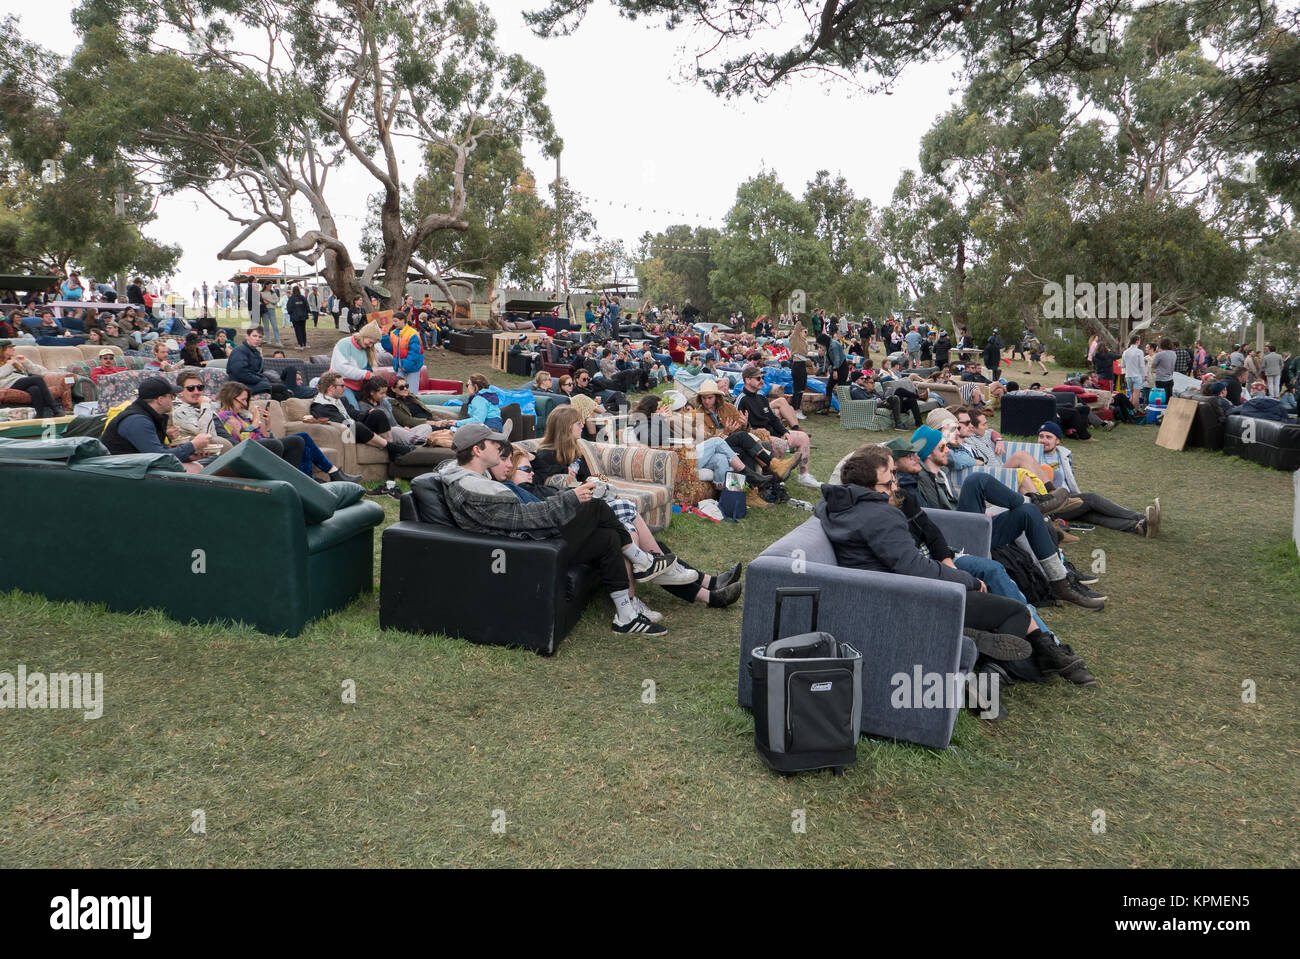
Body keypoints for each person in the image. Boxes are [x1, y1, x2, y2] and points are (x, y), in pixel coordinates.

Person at [817, 445, 1071, 719]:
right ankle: (989, 675)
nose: (894, 484)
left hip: (882, 596)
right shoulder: (880, 515)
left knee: (994, 606)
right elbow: (913, 567)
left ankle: (976, 651)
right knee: (1015, 612)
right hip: (913, 600)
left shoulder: (833, 508)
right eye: (889, 479)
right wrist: (967, 581)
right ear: (869, 487)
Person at [427, 422, 674, 635]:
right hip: (527, 548)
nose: (501, 451)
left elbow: (522, 514)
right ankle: (642, 560)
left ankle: (626, 616)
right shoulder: (474, 487)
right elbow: (525, 518)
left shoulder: (476, 479)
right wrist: (573, 498)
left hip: (530, 540)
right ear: (477, 450)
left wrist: (570, 495)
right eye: (494, 445)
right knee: (595, 507)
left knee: (607, 537)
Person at [898, 426, 1105, 610]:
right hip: (952, 540)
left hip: (967, 526)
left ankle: (1060, 582)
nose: (948, 450)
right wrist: (908, 462)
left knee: (1028, 514)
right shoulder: (914, 481)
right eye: (942, 448)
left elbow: (954, 492)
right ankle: (1039, 503)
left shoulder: (939, 476)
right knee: (976, 480)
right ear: (926, 454)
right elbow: (920, 511)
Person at [212, 379, 361, 482]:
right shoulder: (225, 416)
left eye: (246, 400)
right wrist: (256, 419)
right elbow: (246, 439)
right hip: (251, 450)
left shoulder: (242, 416)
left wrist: (268, 426)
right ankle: (326, 475)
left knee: (302, 439)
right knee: (298, 439)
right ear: (231, 398)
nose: (245, 404)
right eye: (242, 400)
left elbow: (266, 437)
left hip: (265, 446)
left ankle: (317, 477)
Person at [1035, 422, 1158, 536]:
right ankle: (1140, 517)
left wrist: (1075, 495)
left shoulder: (1064, 455)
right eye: (1041, 436)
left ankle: (1139, 527)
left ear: (1058, 440)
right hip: (1052, 505)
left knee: (1093, 516)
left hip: (1070, 498)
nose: (1043, 440)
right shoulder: (1033, 456)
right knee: (1091, 499)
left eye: (1048, 437)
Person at [100, 377, 212, 469]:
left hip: (132, 466)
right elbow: (159, 458)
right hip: (119, 472)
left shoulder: (148, 415)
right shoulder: (138, 421)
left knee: (196, 465)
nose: (173, 400)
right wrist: (193, 445)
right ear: (160, 400)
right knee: (195, 469)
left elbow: (158, 452)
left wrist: (189, 456)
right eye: (171, 396)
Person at [736, 366, 818, 488]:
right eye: (758, 378)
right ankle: (776, 480)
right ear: (747, 380)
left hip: (773, 432)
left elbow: (773, 419)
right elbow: (738, 430)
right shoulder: (741, 400)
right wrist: (750, 428)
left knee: (803, 437)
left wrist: (784, 431)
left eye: (762, 377)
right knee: (780, 444)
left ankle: (804, 475)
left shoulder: (761, 398)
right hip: (758, 436)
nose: (762, 381)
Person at [308, 370, 410, 459]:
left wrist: (367, 413)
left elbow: (354, 414)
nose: (345, 388)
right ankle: (392, 447)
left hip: (355, 430)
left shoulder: (341, 400)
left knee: (378, 414)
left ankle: (392, 453)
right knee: (355, 425)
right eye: (342, 386)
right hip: (343, 435)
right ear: (331, 388)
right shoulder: (320, 405)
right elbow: (341, 422)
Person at [356, 376, 439, 446]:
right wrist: (400, 430)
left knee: (425, 427)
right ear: (372, 392)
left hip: (399, 432)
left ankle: (417, 441)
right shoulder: (363, 406)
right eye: (382, 393)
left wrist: (403, 428)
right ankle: (421, 441)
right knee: (395, 430)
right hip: (384, 434)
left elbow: (394, 423)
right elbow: (370, 428)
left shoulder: (383, 402)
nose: (384, 396)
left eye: (385, 393)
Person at [0, 341, 67, 416]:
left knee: (35, 389)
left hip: (20, 382)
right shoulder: (10, 363)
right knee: (37, 379)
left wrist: (26, 362)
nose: (13, 349)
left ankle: (39, 415)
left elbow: (42, 372)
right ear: (2, 349)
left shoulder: (15, 361)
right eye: (10, 347)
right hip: (7, 384)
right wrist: (8, 365)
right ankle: (55, 408)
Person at [330, 320, 382, 403]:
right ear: (364, 335)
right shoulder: (344, 344)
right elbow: (340, 369)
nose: (371, 345)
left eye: (373, 343)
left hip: (359, 387)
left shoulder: (366, 349)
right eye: (370, 342)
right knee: (354, 407)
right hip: (342, 385)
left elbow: (368, 369)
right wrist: (366, 374)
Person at [380, 310, 424, 394]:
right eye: (393, 321)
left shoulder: (413, 334)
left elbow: (414, 353)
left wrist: (406, 366)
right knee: (399, 392)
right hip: (400, 367)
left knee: (411, 392)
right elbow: (391, 348)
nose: (394, 323)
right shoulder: (393, 333)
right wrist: (385, 337)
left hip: (411, 369)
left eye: (396, 321)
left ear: (403, 320)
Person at [227, 327, 273, 395]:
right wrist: (260, 379)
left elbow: (257, 371)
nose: (257, 339)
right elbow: (240, 373)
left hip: (251, 383)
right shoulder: (240, 351)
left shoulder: (255, 352)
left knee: (280, 392)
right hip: (239, 386)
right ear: (247, 336)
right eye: (254, 336)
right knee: (274, 387)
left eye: (260, 337)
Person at [1121, 334, 1145, 408]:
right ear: (1137, 341)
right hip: (1137, 375)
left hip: (1128, 376)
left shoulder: (1125, 352)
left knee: (1132, 395)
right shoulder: (1139, 352)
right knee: (1136, 396)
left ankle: (1129, 411)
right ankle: (1135, 412)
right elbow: (1142, 365)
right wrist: (1144, 376)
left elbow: (1123, 365)